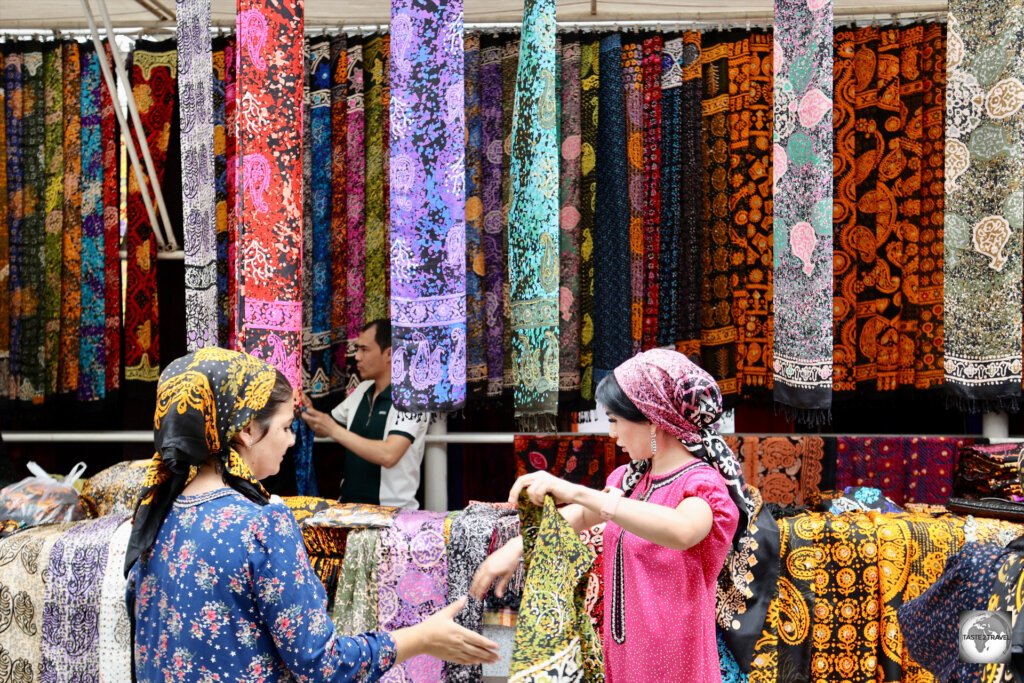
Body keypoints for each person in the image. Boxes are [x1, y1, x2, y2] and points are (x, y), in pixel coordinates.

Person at [125, 348, 498, 682]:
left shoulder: (154, 517)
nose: (291, 440)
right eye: (286, 428)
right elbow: (322, 664)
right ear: (246, 430)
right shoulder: (262, 523)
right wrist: (422, 638)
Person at [470, 348, 751, 682]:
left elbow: (683, 530)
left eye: (615, 420)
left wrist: (572, 489)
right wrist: (515, 548)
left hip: (677, 664)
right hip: (624, 654)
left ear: (651, 419)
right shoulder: (629, 480)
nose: (611, 434)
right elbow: (580, 516)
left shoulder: (702, 484)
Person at [301, 319, 428, 508]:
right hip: (350, 509)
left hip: (390, 515)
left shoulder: (412, 398)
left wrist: (334, 430)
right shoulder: (362, 390)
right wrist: (308, 410)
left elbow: (389, 455)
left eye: (364, 350)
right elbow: (323, 428)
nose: (357, 357)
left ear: (389, 354)